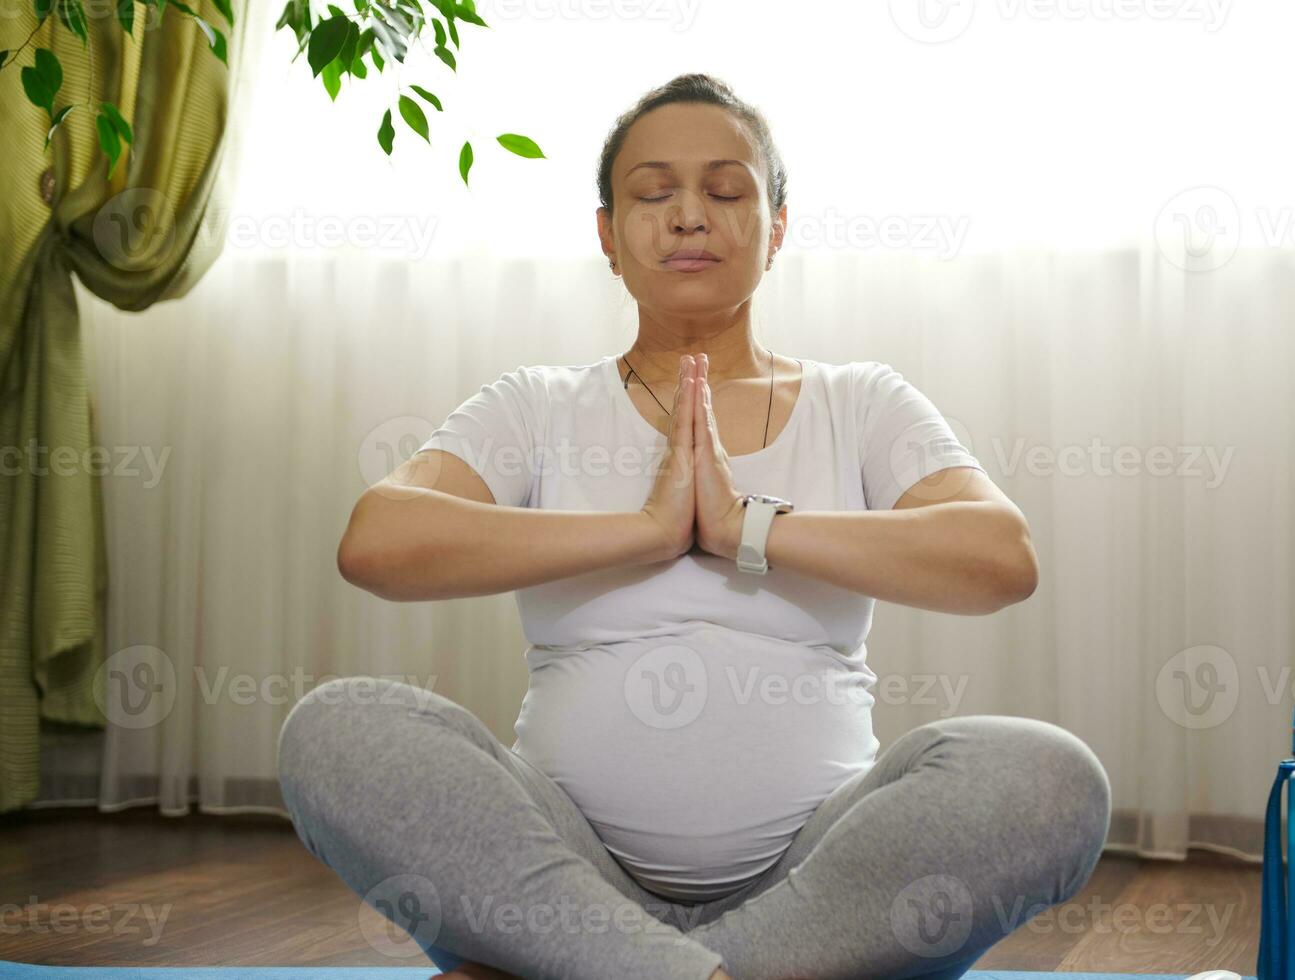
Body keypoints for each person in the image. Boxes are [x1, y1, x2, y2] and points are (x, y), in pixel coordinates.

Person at [275, 73, 1110, 980]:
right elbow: (378, 542)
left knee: (1046, 778)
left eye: (724, 190)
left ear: (776, 226)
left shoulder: (859, 401)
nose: (687, 217)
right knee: (338, 727)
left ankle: (597, 972)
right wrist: (646, 530)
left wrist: (743, 526)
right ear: (607, 234)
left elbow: (998, 557)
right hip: (565, 879)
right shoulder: (535, 404)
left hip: (817, 890)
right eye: (651, 193)